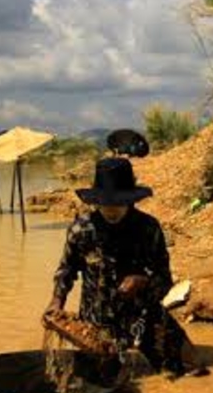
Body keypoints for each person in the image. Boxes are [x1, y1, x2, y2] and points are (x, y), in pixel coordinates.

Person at [44, 157, 199, 376]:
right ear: (96, 201)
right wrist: (56, 301)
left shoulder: (148, 229)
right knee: (101, 382)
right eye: (105, 203)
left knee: (191, 370)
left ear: (130, 201)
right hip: (96, 326)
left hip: (143, 318)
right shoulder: (81, 231)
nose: (111, 210)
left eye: (118, 203)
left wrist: (143, 281)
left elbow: (165, 280)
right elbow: (66, 271)